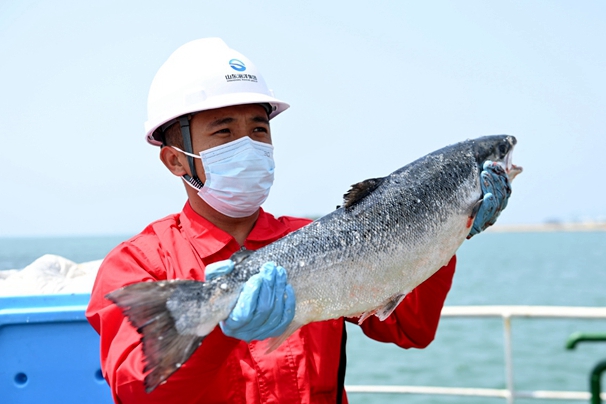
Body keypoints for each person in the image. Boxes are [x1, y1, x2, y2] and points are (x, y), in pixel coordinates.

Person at [86, 38, 511, 404]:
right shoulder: (137, 265)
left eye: (259, 129)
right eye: (224, 132)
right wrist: (219, 330)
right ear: (176, 159)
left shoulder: (314, 237)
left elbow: (411, 328)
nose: (249, 144)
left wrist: (452, 226)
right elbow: (136, 391)